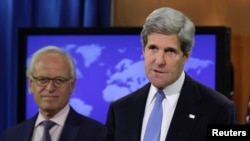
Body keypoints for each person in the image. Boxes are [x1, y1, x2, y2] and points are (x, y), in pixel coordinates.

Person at [103, 7, 238, 141]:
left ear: (186, 55)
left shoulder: (219, 110)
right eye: (153, 48)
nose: (159, 61)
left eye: (170, 51)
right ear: (143, 50)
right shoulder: (120, 110)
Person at [1, 46, 105, 141]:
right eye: (42, 79)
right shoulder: (11, 136)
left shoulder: (97, 134)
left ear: (72, 85)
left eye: (59, 80)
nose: (50, 88)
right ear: (31, 84)